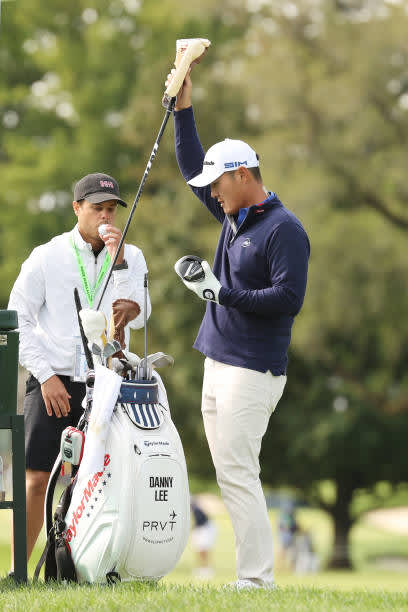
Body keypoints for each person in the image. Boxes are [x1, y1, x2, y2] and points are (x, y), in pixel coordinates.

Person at [169, 70, 310, 590]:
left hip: (252, 369)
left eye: (218, 184)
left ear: (243, 175)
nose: (211, 194)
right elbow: (189, 167)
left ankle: (255, 580)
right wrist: (184, 109)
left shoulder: (283, 229)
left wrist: (220, 293)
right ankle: (253, 576)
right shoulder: (234, 216)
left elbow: (288, 300)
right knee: (231, 472)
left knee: (238, 474)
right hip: (218, 361)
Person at [8, 172, 151, 565]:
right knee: (37, 479)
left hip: (107, 383)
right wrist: (46, 375)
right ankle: (19, 569)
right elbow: (16, 319)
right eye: (97, 208)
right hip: (53, 380)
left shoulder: (131, 255)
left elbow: (140, 318)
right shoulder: (47, 255)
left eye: (111, 209)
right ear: (77, 208)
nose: (105, 217)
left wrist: (131, 297)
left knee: (104, 481)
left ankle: (95, 566)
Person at [190, 497, 217, 579]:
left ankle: (206, 569)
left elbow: (199, 523)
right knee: (199, 549)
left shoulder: (196, 510)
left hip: (205, 529)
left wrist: (191, 529)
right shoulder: (195, 509)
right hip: (204, 528)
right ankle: (202, 568)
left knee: (203, 548)